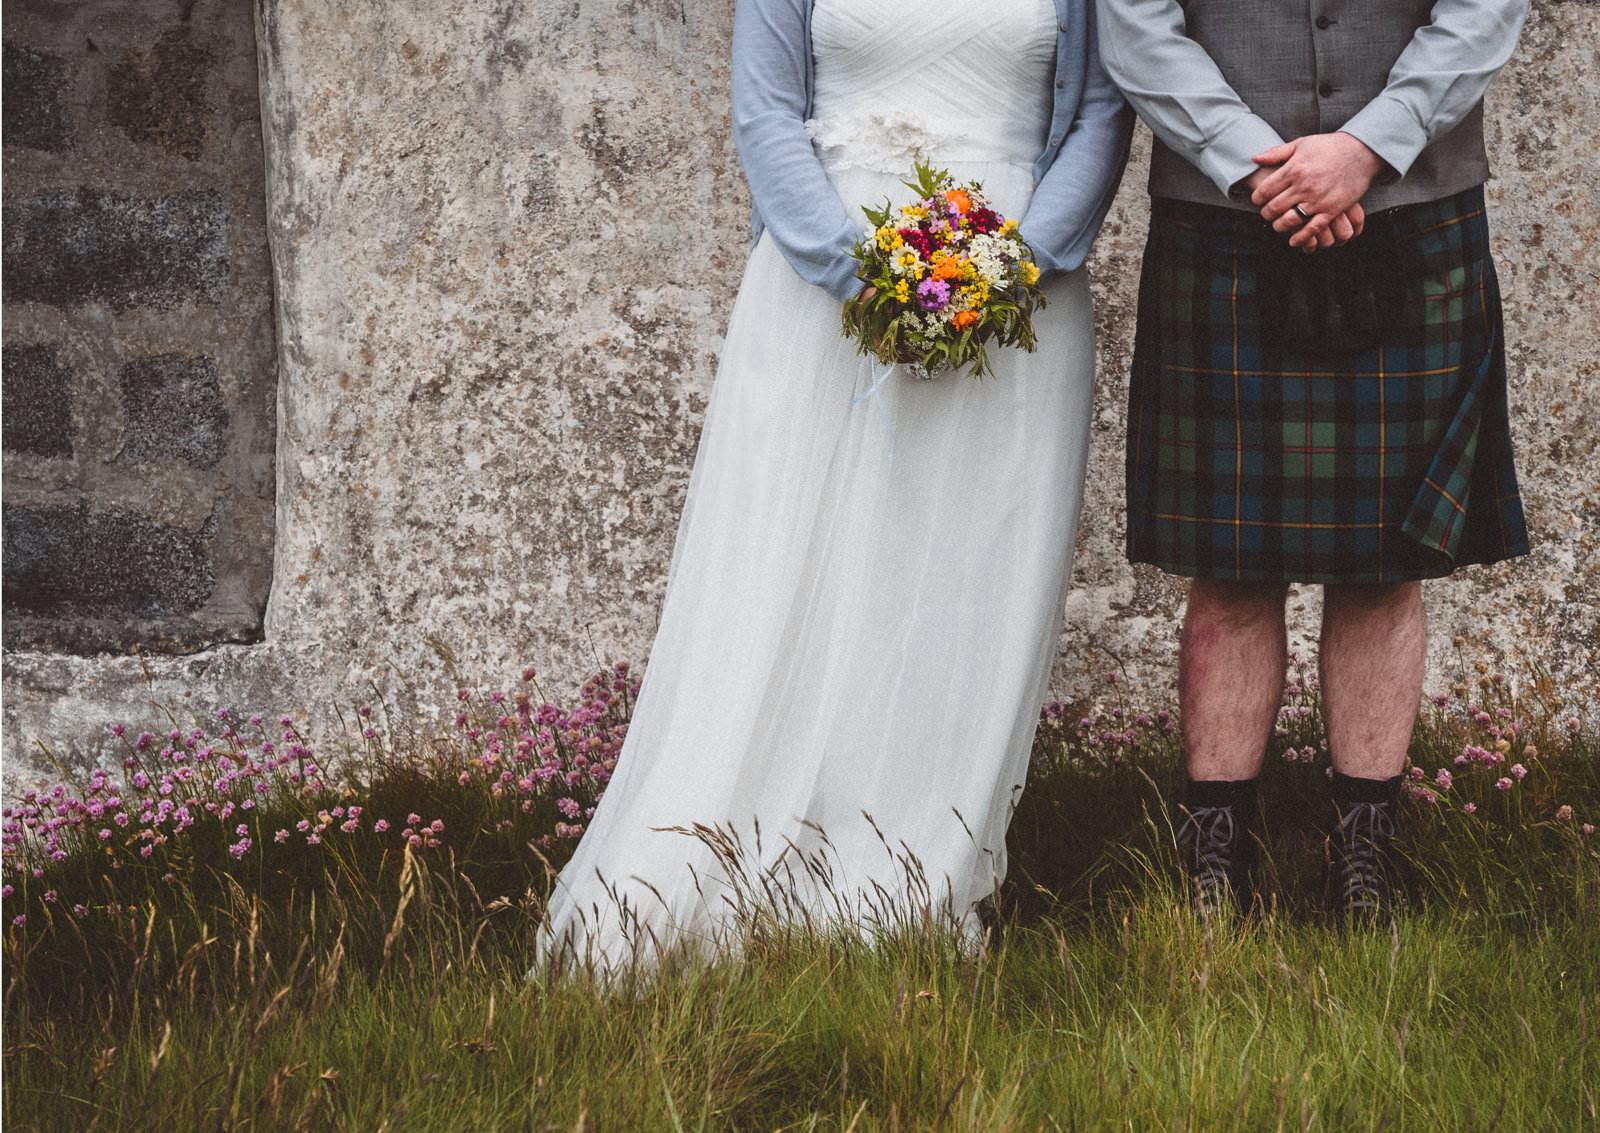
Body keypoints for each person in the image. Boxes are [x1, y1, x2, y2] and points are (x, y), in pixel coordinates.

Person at [538, 0, 1132, 971]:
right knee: (792, 574)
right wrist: (868, 275)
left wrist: (1007, 271)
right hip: (827, 294)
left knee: (959, 589)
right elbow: (765, 113)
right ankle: (743, 857)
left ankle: (914, 876)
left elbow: (1101, 118)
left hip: (1015, 304)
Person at [1096, 0, 1530, 918]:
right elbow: (1134, 23)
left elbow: (1485, 8)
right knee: (1228, 561)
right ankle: (1214, 863)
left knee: (1385, 560)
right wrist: (1261, 166)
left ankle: (1363, 860)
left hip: (1414, 205)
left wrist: (1366, 148)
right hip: (1223, 213)